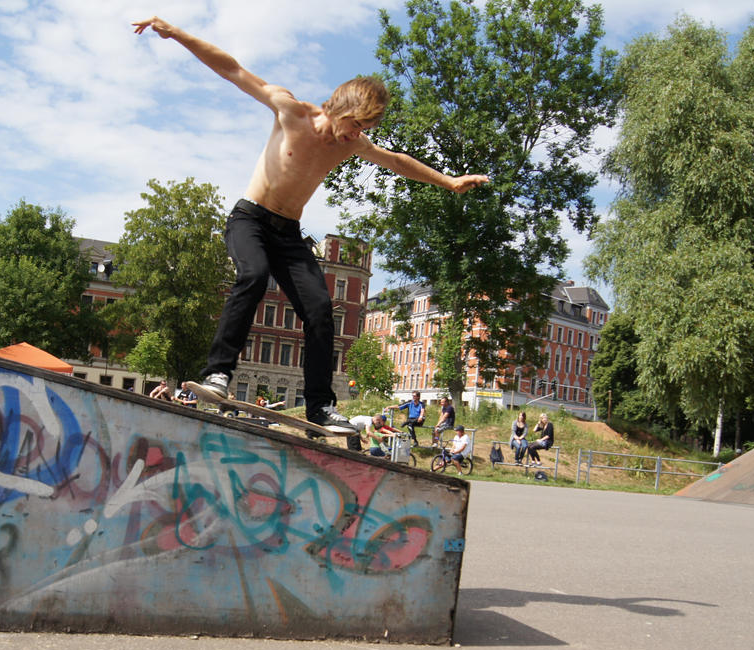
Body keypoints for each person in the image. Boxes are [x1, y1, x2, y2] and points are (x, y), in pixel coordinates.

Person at [133, 17, 489, 434]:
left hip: (288, 233)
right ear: (340, 108)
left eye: (366, 130)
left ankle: (319, 406)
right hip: (249, 219)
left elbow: (395, 161)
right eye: (356, 124)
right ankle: (218, 373)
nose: (356, 136)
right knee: (253, 275)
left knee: (321, 311)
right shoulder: (290, 110)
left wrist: (447, 181)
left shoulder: (353, 143)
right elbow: (232, 69)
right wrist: (175, 34)